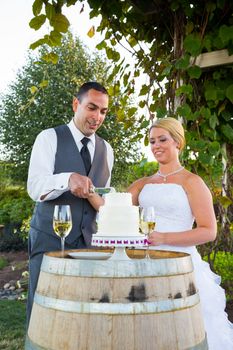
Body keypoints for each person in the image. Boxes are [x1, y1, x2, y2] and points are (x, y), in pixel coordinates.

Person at [127, 117, 233, 349]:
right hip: (146, 266)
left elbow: (208, 231)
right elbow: (113, 207)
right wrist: (88, 190)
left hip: (183, 268)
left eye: (162, 139)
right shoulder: (143, 183)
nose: (156, 145)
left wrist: (164, 238)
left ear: (177, 142)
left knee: (186, 333)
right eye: (152, 141)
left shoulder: (192, 182)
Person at [26, 81, 114, 327]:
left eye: (103, 111)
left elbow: (101, 198)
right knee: (44, 316)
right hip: (50, 240)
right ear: (76, 104)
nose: (97, 117)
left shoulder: (107, 149)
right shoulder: (48, 138)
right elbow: (35, 186)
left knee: (84, 317)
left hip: (90, 245)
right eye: (92, 108)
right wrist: (67, 179)